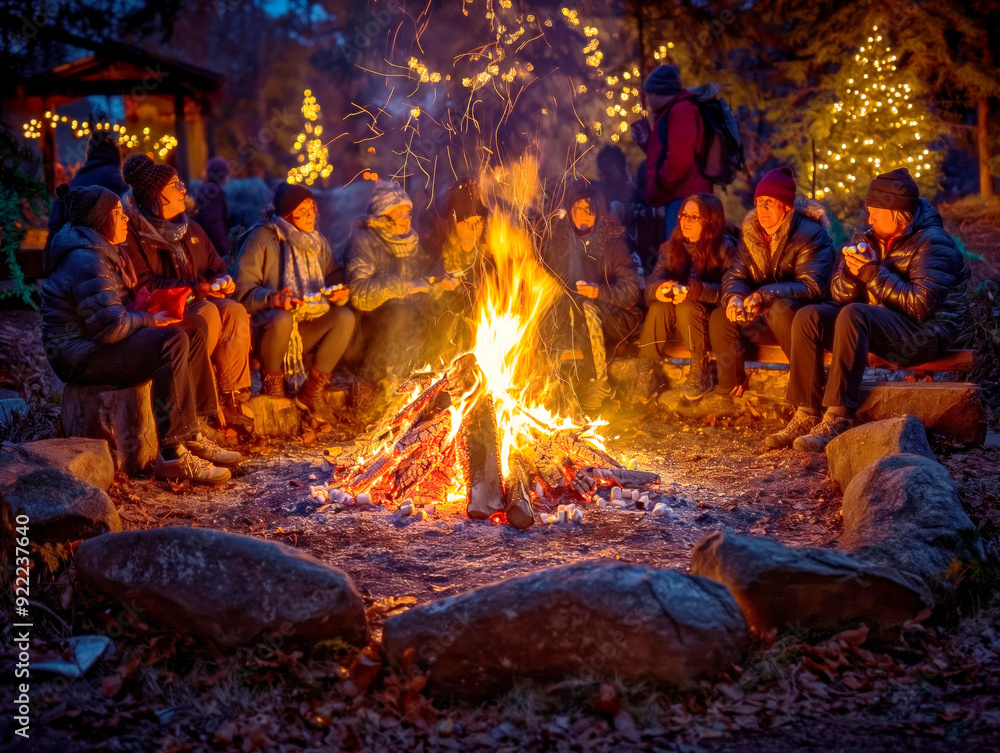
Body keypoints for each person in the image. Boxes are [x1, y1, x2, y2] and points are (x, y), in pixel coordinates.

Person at [40, 185, 232, 484]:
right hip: (81, 356)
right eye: (118, 214)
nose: (126, 218)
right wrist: (148, 319)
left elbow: (115, 310)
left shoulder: (104, 249)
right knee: (171, 342)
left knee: (190, 331)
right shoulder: (87, 261)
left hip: (98, 343)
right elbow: (111, 329)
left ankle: (193, 432)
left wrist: (155, 307)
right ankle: (173, 455)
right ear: (98, 221)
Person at [768, 168, 968, 451]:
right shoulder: (868, 237)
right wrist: (852, 273)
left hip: (924, 335)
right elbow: (838, 296)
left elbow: (920, 305)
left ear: (898, 214)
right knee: (809, 316)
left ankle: (838, 416)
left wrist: (872, 272)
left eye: (876, 213)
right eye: (869, 212)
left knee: (856, 315)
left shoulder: (934, 244)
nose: (869, 219)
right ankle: (806, 412)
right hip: (879, 325)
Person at [122, 154, 254, 433]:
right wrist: (195, 289)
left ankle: (234, 398)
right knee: (208, 313)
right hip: (166, 313)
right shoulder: (135, 234)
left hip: (199, 300)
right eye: (175, 185)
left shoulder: (190, 227)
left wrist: (223, 279)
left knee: (235, 311)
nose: (183, 189)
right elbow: (144, 285)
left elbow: (216, 265)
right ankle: (200, 402)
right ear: (157, 197)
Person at [709, 166, 835, 397]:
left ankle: (807, 394)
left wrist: (764, 295)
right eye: (759, 202)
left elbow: (812, 286)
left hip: (802, 319)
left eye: (770, 202)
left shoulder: (810, 234)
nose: (762, 209)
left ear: (787, 206)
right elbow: (737, 275)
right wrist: (735, 298)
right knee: (721, 316)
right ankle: (729, 390)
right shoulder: (751, 234)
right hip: (763, 316)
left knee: (780, 308)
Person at [234, 183, 355, 422]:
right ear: (287, 213)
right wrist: (273, 298)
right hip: (266, 328)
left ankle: (311, 393)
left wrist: (337, 290)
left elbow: (334, 273)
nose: (311, 215)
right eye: (303, 210)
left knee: (344, 317)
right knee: (282, 317)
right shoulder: (262, 238)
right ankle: (274, 391)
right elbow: (241, 292)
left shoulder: (316, 241)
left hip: (305, 325)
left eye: (312, 208)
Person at [346, 181, 459, 421]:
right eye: (399, 213)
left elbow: (422, 278)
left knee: (439, 312)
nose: (406, 217)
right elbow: (360, 294)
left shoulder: (410, 241)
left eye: (407, 211)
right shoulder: (364, 241)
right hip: (367, 322)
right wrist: (405, 286)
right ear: (383, 215)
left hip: (406, 315)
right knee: (401, 314)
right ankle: (364, 384)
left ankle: (414, 386)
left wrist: (439, 281)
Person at [540, 183, 640, 412]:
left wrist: (599, 292)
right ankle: (548, 385)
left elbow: (631, 291)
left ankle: (599, 383)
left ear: (598, 213)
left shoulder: (613, 243)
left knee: (588, 310)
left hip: (617, 314)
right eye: (576, 210)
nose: (582, 215)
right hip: (575, 312)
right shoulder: (562, 243)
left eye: (588, 209)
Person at [637, 193, 737, 401]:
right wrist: (660, 290)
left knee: (687, 305)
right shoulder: (671, 247)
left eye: (694, 217)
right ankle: (646, 372)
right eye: (683, 215)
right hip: (677, 324)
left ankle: (700, 372)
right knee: (658, 307)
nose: (685, 221)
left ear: (710, 221)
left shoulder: (725, 249)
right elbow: (650, 287)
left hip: (707, 325)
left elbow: (731, 291)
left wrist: (698, 290)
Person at [635, 64, 712, 241]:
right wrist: (646, 142)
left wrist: (661, 183)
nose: (647, 100)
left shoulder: (680, 110)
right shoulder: (672, 111)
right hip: (682, 196)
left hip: (685, 199)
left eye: (648, 94)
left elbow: (680, 158)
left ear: (657, 92)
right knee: (679, 255)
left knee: (679, 256)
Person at [426, 179, 491, 361]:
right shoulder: (437, 250)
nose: (472, 230)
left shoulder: (490, 251)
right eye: (464, 223)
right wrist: (441, 286)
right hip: (441, 326)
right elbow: (423, 292)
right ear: (453, 224)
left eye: (477, 222)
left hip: (481, 326)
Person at [45, 130, 129, 251]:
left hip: (71, 246)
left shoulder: (78, 178)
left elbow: (56, 221)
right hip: (100, 247)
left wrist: (51, 253)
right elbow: (130, 205)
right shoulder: (115, 178)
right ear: (115, 155)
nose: (125, 217)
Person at [193, 156, 233, 257]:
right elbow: (213, 223)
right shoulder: (213, 192)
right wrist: (226, 249)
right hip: (210, 249)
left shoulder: (205, 189)